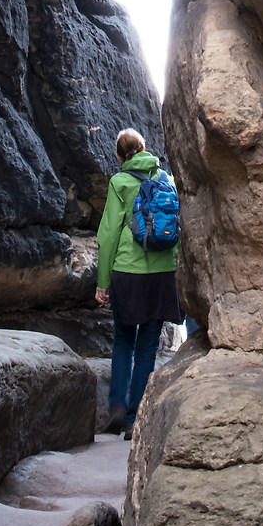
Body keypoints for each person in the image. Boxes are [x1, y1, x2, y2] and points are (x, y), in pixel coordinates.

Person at [95, 128, 184, 437]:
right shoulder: (167, 180)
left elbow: (107, 235)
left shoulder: (119, 182)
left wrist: (102, 282)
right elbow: (175, 231)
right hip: (160, 274)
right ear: (145, 149)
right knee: (147, 347)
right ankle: (135, 419)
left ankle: (117, 407)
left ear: (119, 156)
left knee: (122, 341)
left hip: (127, 272)